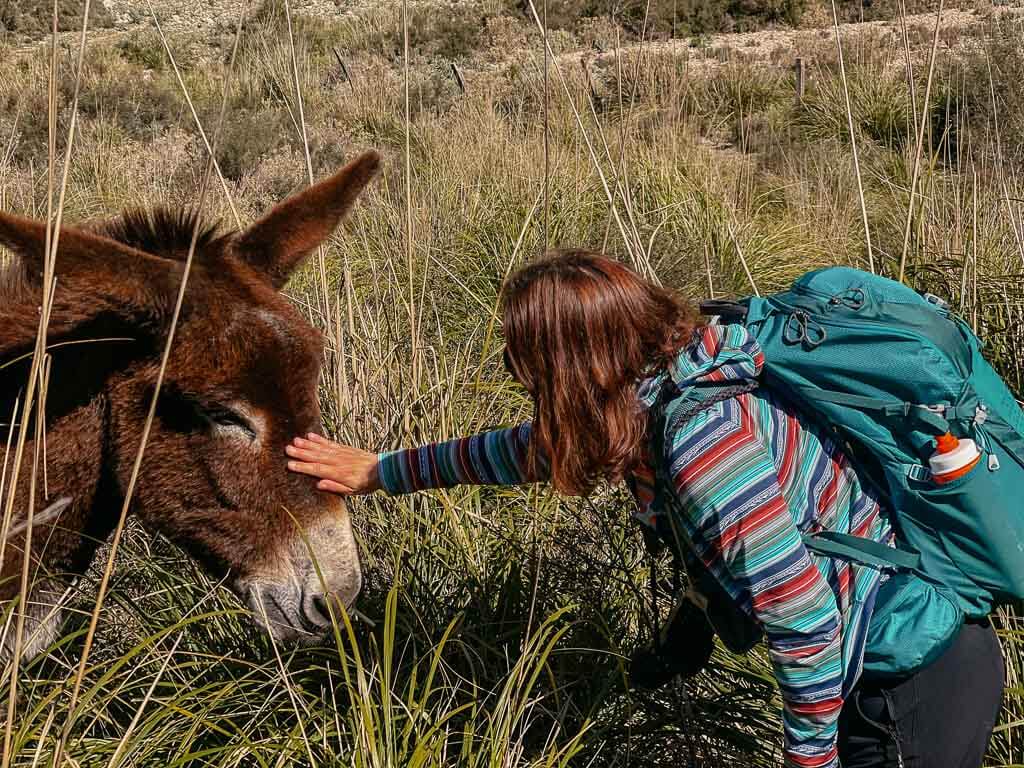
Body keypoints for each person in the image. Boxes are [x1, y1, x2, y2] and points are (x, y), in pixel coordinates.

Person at [285, 250, 1004, 768]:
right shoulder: (664, 387)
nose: (512, 372)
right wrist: (379, 471)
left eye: (522, 358)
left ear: (570, 369)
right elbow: (523, 453)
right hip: (882, 673)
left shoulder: (703, 449)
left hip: (910, 684)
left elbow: (808, 626)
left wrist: (806, 761)